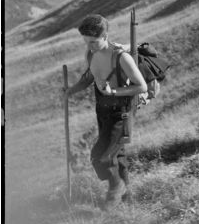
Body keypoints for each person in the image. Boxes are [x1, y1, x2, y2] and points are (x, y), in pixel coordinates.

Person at [63, 14, 147, 209]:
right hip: (102, 111)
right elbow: (89, 77)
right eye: (86, 41)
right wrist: (71, 91)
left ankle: (116, 188)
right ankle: (128, 197)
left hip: (121, 113)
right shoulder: (91, 54)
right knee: (117, 155)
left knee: (102, 157)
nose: (89, 46)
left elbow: (141, 86)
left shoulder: (121, 57)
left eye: (93, 41)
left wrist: (115, 91)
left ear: (105, 36)